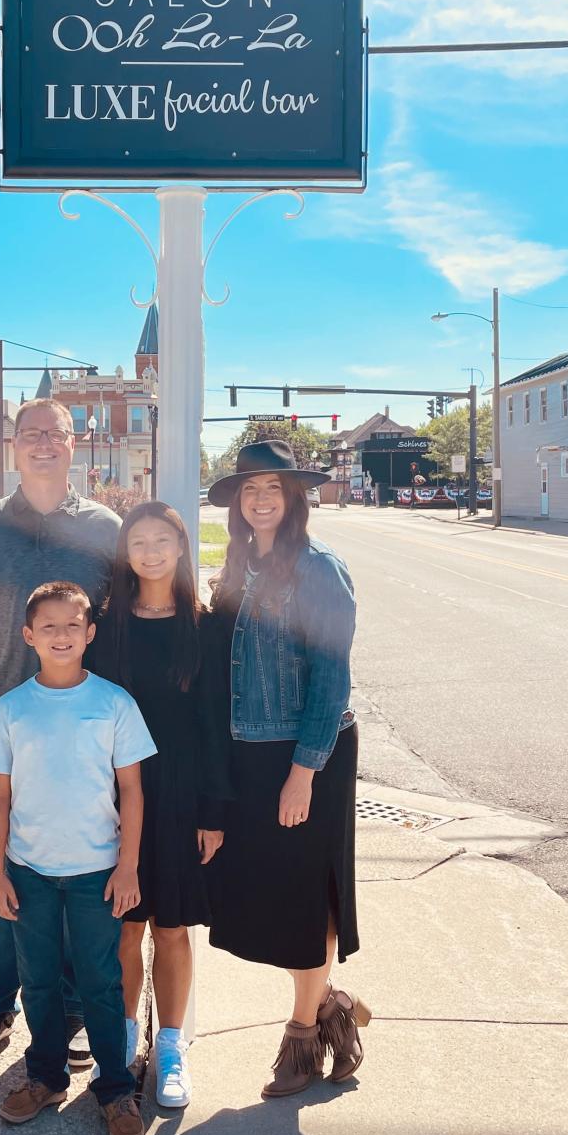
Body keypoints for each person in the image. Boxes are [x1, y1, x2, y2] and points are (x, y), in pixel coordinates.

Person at [0, 398, 121, 1067]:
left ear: (77, 445)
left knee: (74, 877)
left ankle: (69, 1010)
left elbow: (131, 627)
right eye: (31, 433)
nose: (44, 443)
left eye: (57, 434)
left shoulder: (106, 530)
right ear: (11, 446)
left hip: (83, 741)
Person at [207, 439, 370, 1100]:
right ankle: (329, 1001)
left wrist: (304, 772)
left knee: (305, 898)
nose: (262, 499)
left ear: (296, 498)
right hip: (249, 750)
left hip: (308, 752)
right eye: (251, 490)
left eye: (274, 489)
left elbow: (332, 680)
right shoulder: (239, 567)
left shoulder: (318, 570)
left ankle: (302, 1039)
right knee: (262, 898)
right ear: (238, 505)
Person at [0, 581, 154, 1135]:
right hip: (28, 871)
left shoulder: (113, 703)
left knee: (102, 981)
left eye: (71, 626)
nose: (60, 635)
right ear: (28, 636)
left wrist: (128, 868)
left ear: (89, 634)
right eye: (47, 627)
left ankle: (115, 1088)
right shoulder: (11, 709)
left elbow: (133, 792)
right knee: (39, 979)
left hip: (96, 872)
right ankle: (46, 1076)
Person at [89, 501, 232, 1109]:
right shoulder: (103, 624)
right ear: (126, 552)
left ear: (180, 548)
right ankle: (121, 1044)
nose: (150, 551)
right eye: (138, 540)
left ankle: (170, 1048)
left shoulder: (203, 627)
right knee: (123, 929)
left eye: (162, 540)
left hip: (179, 793)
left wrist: (214, 811)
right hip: (112, 794)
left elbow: (215, 726)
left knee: (171, 929)